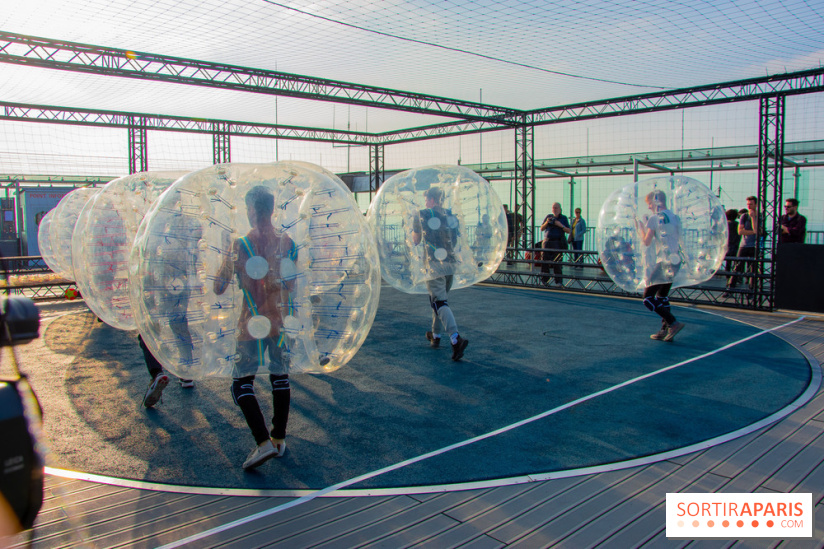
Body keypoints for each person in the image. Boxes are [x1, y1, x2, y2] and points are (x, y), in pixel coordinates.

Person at [214, 186, 297, 470]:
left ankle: (262, 443)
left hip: (250, 324)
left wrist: (230, 262)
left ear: (251, 210)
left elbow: (218, 286)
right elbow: (292, 285)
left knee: (241, 382)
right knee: (280, 377)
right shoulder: (288, 243)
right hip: (279, 323)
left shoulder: (240, 244)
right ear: (272, 209)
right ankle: (279, 438)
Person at [411, 186, 469, 361]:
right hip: (450, 263)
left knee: (439, 302)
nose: (425, 202)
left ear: (432, 200)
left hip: (433, 263)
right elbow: (455, 239)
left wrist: (413, 229)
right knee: (438, 301)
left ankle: (455, 338)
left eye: (427, 199)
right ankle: (435, 336)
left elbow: (416, 240)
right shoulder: (451, 215)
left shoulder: (422, 214)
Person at [636, 190, 685, 342]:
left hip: (664, 262)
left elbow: (646, 241)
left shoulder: (654, 218)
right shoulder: (675, 217)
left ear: (656, 202)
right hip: (675, 261)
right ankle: (665, 330)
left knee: (647, 298)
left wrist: (639, 228)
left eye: (649, 204)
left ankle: (673, 323)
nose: (649, 207)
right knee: (662, 296)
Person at [723, 196, 759, 297]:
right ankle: (730, 289)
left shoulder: (759, 216)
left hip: (754, 246)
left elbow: (758, 231)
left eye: (751, 204)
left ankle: (752, 291)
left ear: (756, 205)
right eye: (748, 204)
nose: (749, 206)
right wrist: (753, 231)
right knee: (737, 266)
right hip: (743, 245)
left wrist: (753, 219)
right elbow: (740, 231)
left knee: (753, 268)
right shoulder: (744, 216)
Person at [540, 202, 570, 286]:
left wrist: (560, 225)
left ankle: (558, 281)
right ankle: (544, 280)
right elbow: (541, 228)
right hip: (547, 242)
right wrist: (547, 222)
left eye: (556, 208)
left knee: (557, 262)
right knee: (545, 262)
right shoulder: (548, 217)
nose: (555, 209)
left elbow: (568, 230)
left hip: (557, 242)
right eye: (553, 208)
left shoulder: (563, 218)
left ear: (560, 209)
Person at [724, 209, 741, 275]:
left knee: (728, 261)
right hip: (736, 244)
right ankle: (735, 275)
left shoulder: (725, 224)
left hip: (727, 245)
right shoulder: (737, 224)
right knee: (736, 262)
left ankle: (727, 275)